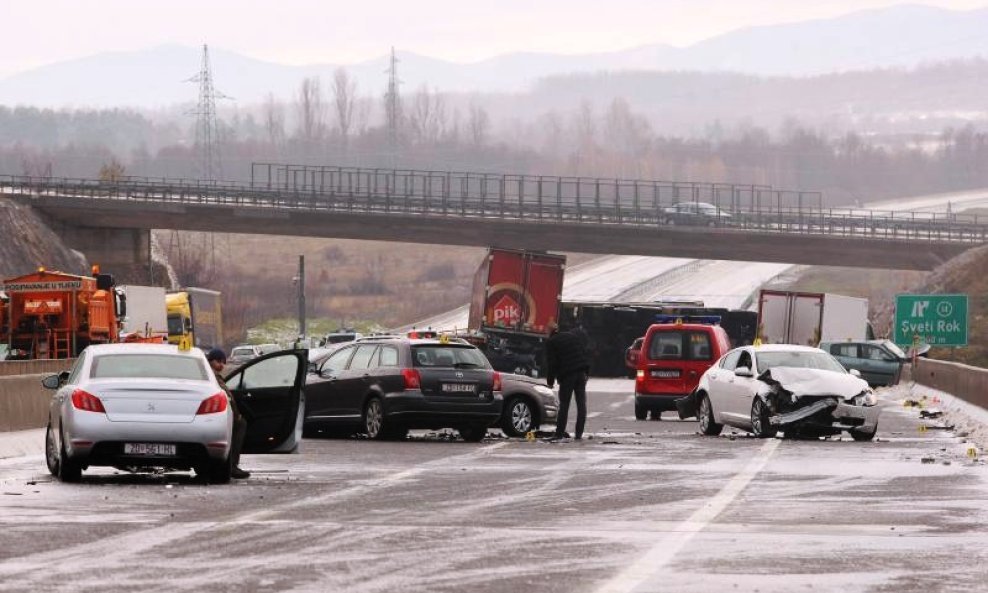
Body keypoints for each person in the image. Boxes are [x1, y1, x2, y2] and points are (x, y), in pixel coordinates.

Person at [206, 348, 251, 479]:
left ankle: (232, 465)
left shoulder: (215, 376)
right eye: (218, 361)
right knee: (240, 426)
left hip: (223, 415)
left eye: (223, 362)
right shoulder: (212, 378)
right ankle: (232, 466)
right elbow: (226, 398)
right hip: (219, 415)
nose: (221, 365)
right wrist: (236, 416)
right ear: (210, 361)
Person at [545, 323, 591, 441]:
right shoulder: (572, 336)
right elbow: (584, 353)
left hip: (568, 375)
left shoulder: (551, 342)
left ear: (550, 331)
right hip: (581, 373)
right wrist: (586, 372)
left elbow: (552, 364)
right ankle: (579, 434)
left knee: (564, 404)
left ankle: (559, 433)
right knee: (581, 404)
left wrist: (550, 381)